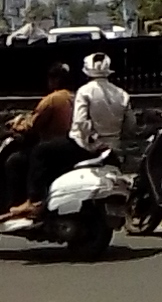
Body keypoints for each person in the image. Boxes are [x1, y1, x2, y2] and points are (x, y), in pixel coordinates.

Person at [17, 51, 131, 217]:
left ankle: (34, 201)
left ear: (86, 70)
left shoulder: (84, 92)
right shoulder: (122, 95)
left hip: (83, 146)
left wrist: (93, 144)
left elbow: (80, 123)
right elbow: (130, 126)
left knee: (39, 152)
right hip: (112, 148)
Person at [3, 62, 73, 214]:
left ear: (54, 80)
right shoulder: (75, 97)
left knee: (14, 161)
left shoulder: (51, 100)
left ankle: (15, 204)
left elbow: (33, 125)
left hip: (50, 147)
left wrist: (16, 125)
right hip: (69, 147)